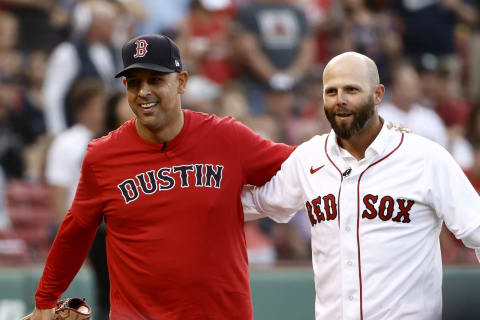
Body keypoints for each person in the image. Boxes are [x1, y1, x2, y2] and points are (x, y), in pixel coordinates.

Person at [22, 34, 294, 320]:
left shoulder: (227, 138)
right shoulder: (102, 156)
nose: (143, 91)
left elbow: (298, 165)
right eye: (134, 82)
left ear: (181, 82)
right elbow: (75, 231)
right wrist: (45, 298)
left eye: (155, 79)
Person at [242, 52, 480, 320]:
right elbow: (249, 204)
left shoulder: (425, 158)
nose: (340, 99)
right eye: (331, 91)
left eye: (351, 89)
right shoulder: (308, 158)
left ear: (378, 94)